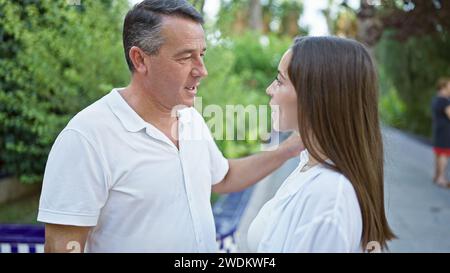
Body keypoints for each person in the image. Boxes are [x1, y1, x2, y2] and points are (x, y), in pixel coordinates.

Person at [37, 0, 302, 253]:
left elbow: (224, 177)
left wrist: (287, 149)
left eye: (202, 55)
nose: (202, 70)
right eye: (186, 57)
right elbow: (62, 245)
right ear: (140, 59)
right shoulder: (86, 137)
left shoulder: (190, 118)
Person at [247, 36, 396, 253]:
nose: (270, 89)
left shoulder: (329, 199)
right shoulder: (310, 164)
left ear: (315, 96)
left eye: (280, 80)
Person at [431, 77, 450, 188]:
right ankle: (441, 178)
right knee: (444, 153)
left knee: (438, 152)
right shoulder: (445, 100)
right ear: (443, 87)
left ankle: (436, 175)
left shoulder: (436, 99)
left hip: (438, 128)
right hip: (445, 131)